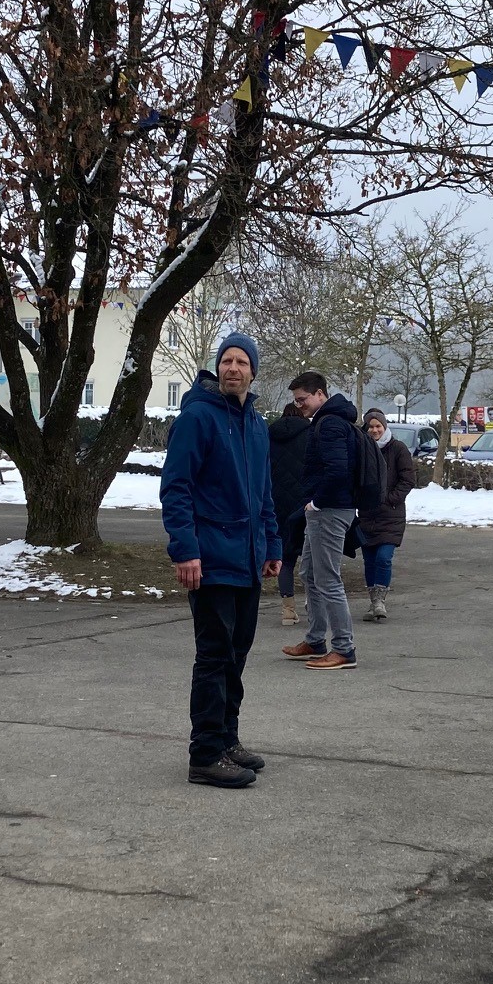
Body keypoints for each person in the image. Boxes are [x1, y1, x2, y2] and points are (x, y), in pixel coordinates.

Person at [160, 333, 282, 788]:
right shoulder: (197, 416)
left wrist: (271, 546)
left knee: (237, 653)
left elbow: (264, 494)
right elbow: (176, 488)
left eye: (241, 362)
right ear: (218, 367)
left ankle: (227, 739)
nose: (233, 368)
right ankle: (205, 754)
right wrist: (185, 549)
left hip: (248, 559)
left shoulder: (256, 425)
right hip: (209, 559)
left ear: (253, 371)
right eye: (226, 361)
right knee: (213, 657)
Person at [284, 371, 359, 670]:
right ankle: (316, 640)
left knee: (328, 579)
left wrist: (316, 502)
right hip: (328, 509)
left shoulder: (329, 424)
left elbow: (337, 470)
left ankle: (344, 649)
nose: (300, 405)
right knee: (310, 574)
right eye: (297, 400)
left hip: (329, 510)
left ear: (319, 394)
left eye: (303, 399)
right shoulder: (331, 420)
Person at [357, 409, 415, 621]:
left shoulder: (398, 449)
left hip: (391, 515)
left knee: (383, 558)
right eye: (371, 427)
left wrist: (390, 499)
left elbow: (408, 479)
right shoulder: (362, 449)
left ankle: (380, 600)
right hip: (366, 514)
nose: (374, 430)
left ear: (384, 426)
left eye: (378, 426)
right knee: (369, 560)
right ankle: (373, 602)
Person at [268, 399, 312, 627]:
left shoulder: (269, 435)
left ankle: (287, 610)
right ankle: (313, 605)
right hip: (304, 505)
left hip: (277, 504)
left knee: (285, 559)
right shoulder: (310, 435)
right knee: (311, 558)